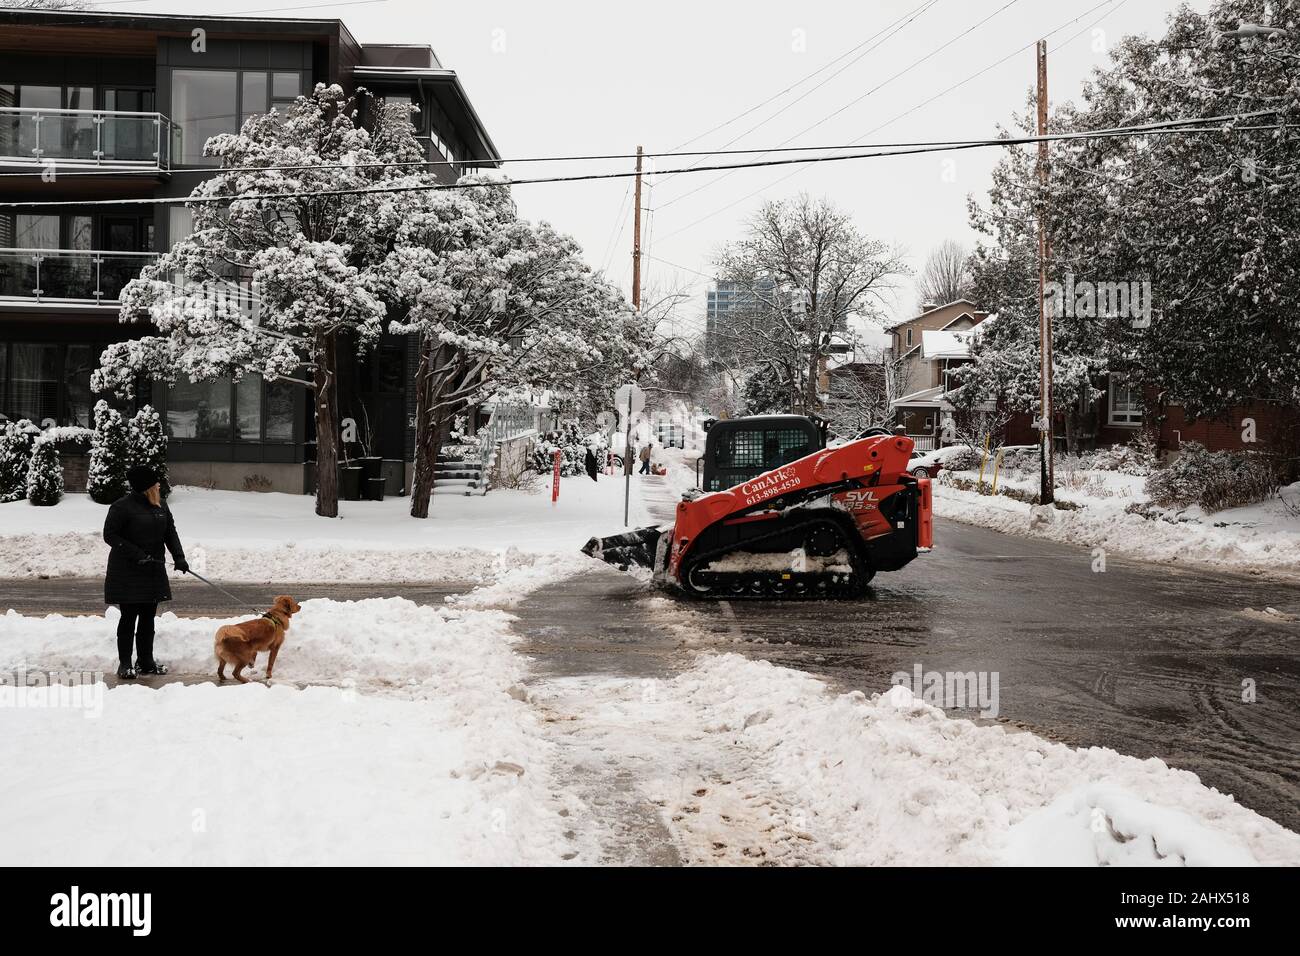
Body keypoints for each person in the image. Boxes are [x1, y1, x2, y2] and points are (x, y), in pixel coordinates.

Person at [103, 465, 189, 679]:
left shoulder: (161, 505)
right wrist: (136, 553)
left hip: (153, 569)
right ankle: (125, 663)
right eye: (155, 482)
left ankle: (146, 661)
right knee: (129, 617)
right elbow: (110, 535)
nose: (159, 485)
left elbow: (170, 533)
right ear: (146, 487)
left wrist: (179, 557)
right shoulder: (121, 507)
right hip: (127, 570)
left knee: (149, 617)